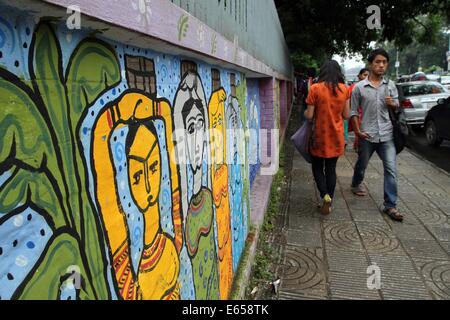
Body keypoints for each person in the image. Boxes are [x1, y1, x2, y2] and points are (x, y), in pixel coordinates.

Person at [350, 48, 404, 222]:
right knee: (362, 164)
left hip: (387, 135)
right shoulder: (359, 87)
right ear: (371, 64)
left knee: (391, 169)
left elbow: (398, 106)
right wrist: (358, 131)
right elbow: (353, 112)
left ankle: (390, 205)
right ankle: (356, 182)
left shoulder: (390, 86)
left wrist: (393, 104)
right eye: (377, 62)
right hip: (367, 135)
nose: (381, 65)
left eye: (384, 62)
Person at [304, 60, 351, 215]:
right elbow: (346, 115)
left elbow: (309, 116)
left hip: (319, 135)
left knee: (317, 167)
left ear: (322, 71)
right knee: (331, 169)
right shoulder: (345, 89)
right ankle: (329, 199)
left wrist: (305, 113)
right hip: (336, 136)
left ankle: (324, 195)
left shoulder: (315, 88)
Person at [348, 68, 370, 151]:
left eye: (368, 75)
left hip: (366, 112)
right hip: (356, 113)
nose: (366, 77)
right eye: (365, 75)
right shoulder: (353, 87)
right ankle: (359, 146)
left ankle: (358, 146)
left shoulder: (370, 86)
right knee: (359, 130)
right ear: (360, 76)